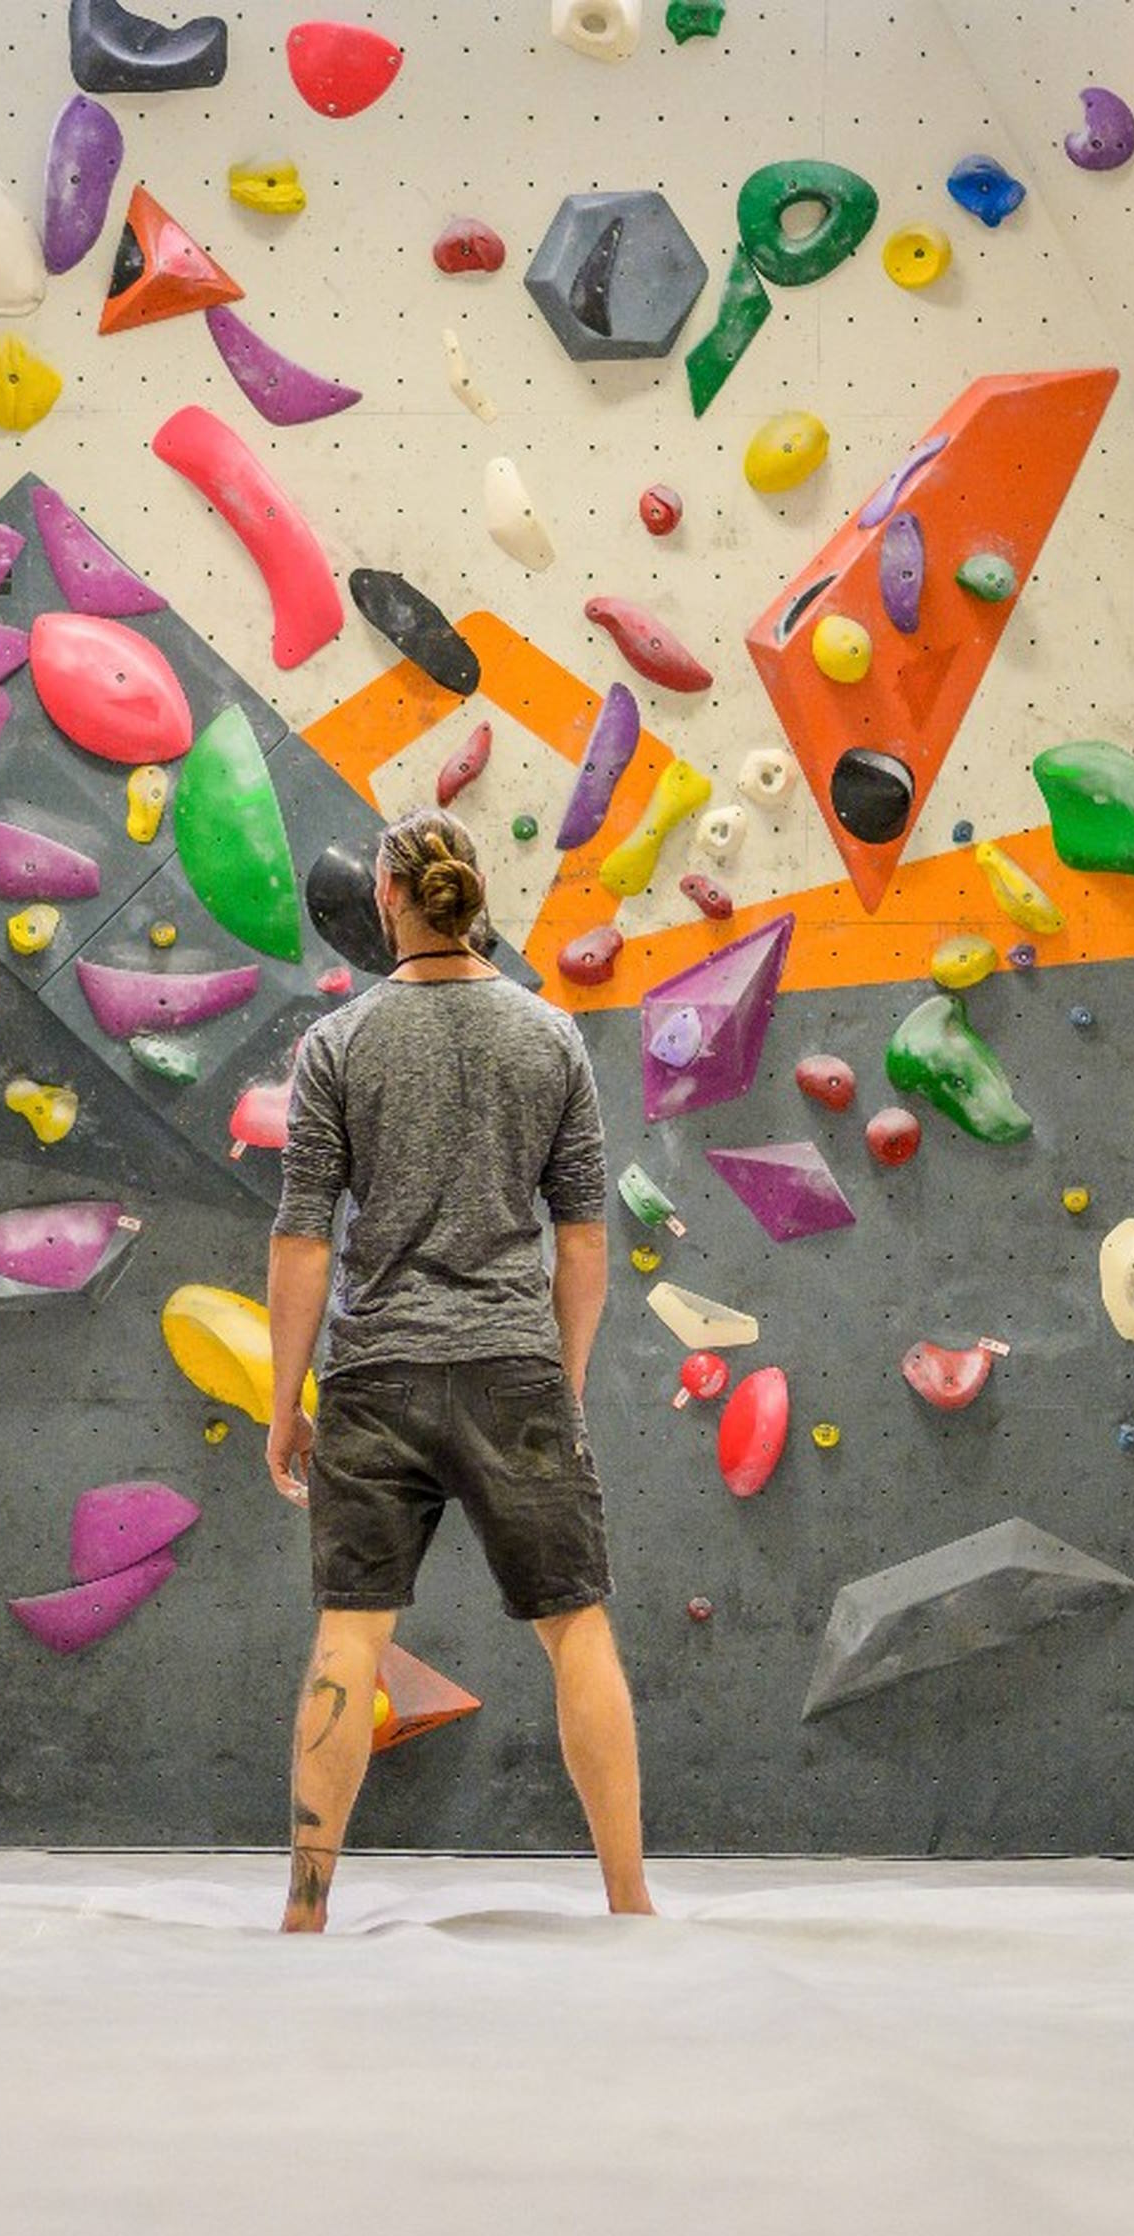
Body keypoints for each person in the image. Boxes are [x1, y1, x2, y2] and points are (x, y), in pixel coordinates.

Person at [262, 809, 654, 1933]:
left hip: (376, 1372)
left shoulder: (339, 1047)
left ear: (388, 899)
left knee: (351, 1626)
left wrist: (286, 1399)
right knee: (576, 1624)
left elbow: (302, 1236)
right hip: (512, 1369)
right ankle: (629, 1898)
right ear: (469, 894)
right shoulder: (549, 1037)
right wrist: (562, 1384)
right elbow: (583, 1237)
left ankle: (305, 1909)